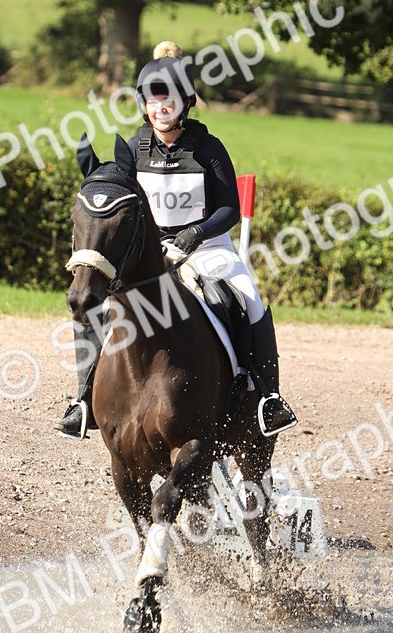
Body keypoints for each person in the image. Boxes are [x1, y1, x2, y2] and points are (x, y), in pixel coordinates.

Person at [56, 41, 298, 439]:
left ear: (186, 102)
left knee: (247, 296)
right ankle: (84, 399)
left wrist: (193, 235)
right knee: (96, 302)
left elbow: (229, 210)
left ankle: (267, 398)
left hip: (206, 249)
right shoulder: (133, 149)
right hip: (148, 255)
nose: (160, 108)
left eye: (168, 100)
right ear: (143, 104)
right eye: (153, 101)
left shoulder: (207, 148)